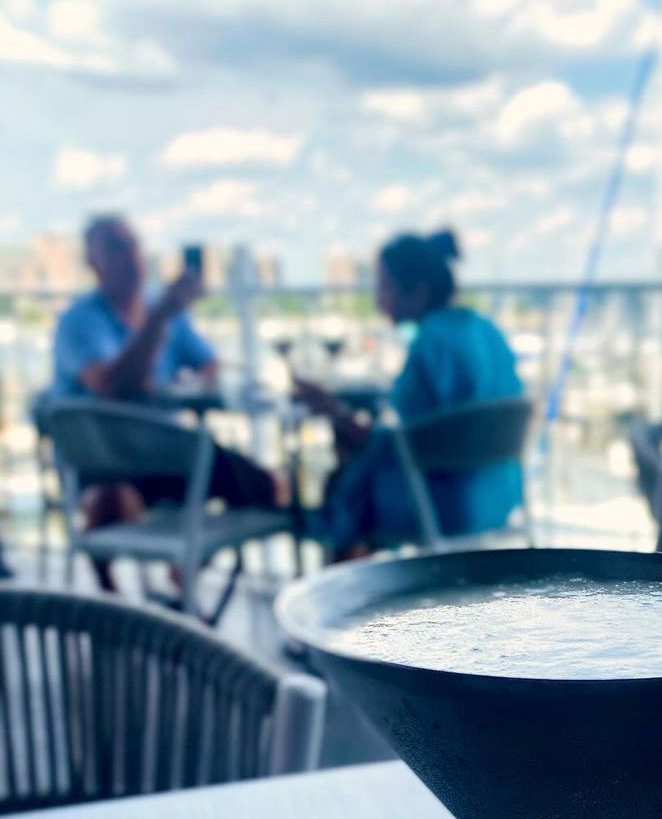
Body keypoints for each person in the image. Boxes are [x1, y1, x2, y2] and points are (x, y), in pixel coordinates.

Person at [51, 215, 283, 591]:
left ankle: (186, 575)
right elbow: (111, 384)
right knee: (111, 500)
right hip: (105, 461)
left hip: (167, 456)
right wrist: (159, 319)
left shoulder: (163, 308)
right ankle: (110, 602)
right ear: (92, 263)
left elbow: (208, 363)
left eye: (133, 245)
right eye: (114, 248)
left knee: (267, 487)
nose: (129, 256)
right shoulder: (80, 321)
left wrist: (189, 374)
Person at [293, 230, 524, 557]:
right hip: (499, 496)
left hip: (445, 507)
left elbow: (402, 448)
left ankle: (343, 597)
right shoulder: (485, 329)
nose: (378, 300)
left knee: (346, 490)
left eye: (384, 286)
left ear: (418, 291)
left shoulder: (430, 343)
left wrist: (334, 411)